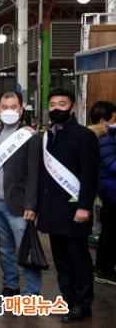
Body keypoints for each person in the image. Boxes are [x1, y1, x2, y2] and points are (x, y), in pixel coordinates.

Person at [37, 88, 99, 322]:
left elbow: (90, 175)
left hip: (75, 211)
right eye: (52, 105)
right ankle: (69, 300)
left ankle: (83, 304)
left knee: (79, 260)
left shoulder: (84, 136)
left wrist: (85, 206)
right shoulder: (48, 136)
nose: (56, 109)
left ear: (73, 108)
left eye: (62, 104)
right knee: (62, 261)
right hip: (53, 211)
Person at [0, 91, 42, 296]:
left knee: (26, 248)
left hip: (19, 204)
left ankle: (32, 292)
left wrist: (31, 204)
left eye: (13, 107)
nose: (8, 111)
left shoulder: (30, 136)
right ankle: (10, 285)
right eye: (4, 107)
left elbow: (34, 173)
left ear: (21, 110)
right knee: (4, 248)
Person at [88, 101, 116, 285]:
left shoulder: (100, 136)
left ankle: (102, 268)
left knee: (108, 232)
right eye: (113, 119)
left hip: (107, 191)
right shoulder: (104, 139)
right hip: (112, 192)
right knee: (110, 233)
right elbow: (112, 165)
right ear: (103, 120)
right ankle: (104, 270)